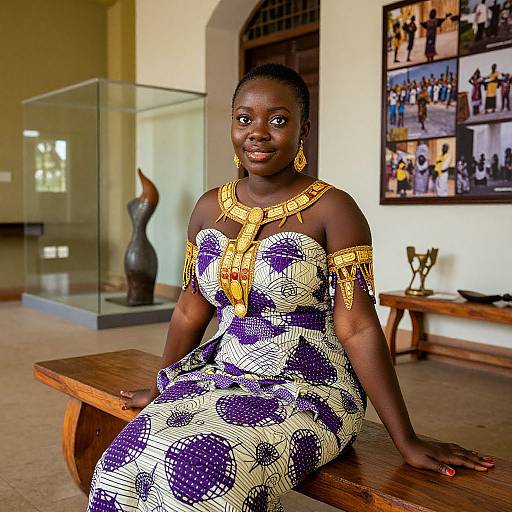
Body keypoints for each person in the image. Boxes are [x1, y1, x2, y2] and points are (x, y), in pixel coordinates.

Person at [87, 64, 494, 512]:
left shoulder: (334, 209)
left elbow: (358, 328)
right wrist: (164, 385)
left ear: (304, 129)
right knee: (120, 466)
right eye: (244, 119)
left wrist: (407, 440)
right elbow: (189, 310)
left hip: (310, 388)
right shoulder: (208, 208)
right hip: (220, 375)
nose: (257, 133)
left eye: (277, 120)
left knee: (202, 477)